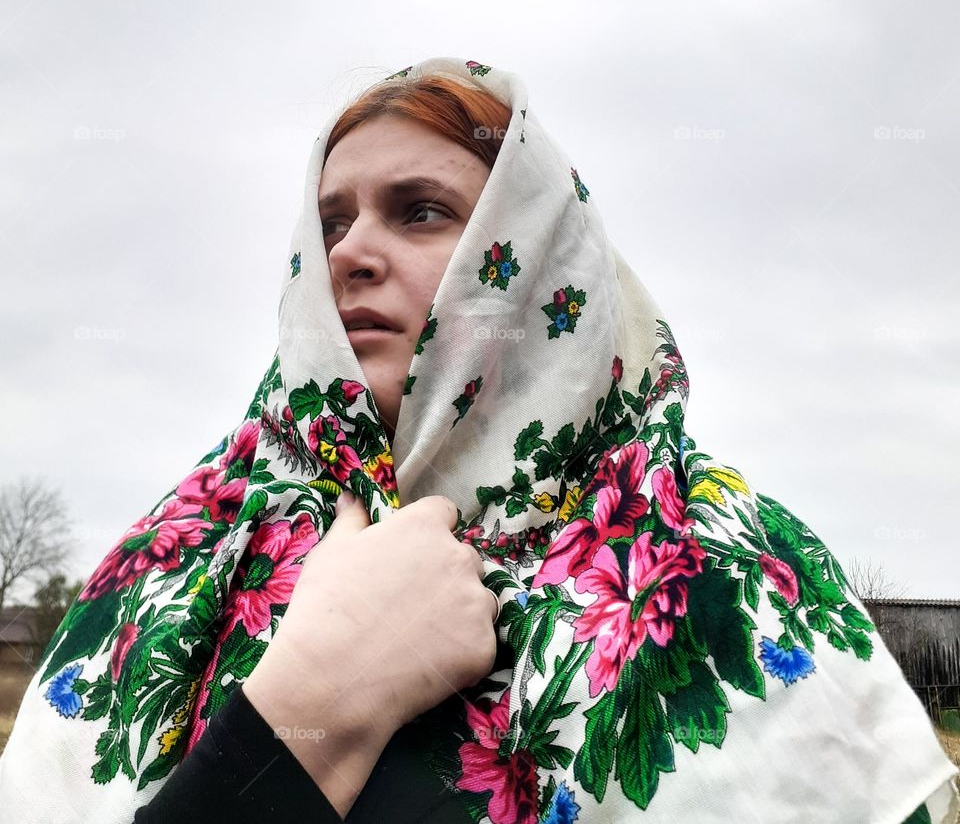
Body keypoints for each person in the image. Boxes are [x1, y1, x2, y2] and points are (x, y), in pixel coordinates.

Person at [0, 57, 956, 824]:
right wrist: (312, 710)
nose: (349, 252)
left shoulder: (721, 570)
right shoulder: (184, 558)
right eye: (330, 221)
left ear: (538, 261)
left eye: (420, 210)